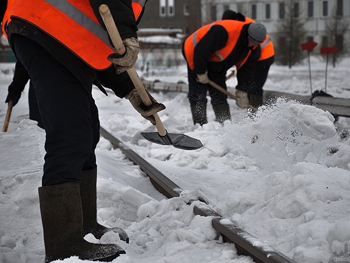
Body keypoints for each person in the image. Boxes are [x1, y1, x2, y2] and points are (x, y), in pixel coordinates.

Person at [2, 0, 165, 262]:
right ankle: (64, 244)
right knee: (70, 135)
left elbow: (96, 44)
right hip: (44, 27)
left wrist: (131, 90)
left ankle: (84, 225)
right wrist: (127, 34)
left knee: (87, 129)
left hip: (61, 37)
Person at [182, 19, 266, 125]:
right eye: (252, 41)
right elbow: (202, 50)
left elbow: (246, 71)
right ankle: (200, 125)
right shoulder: (223, 32)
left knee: (219, 92)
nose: (253, 45)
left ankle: (224, 123)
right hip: (195, 52)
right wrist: (200, 72)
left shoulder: (253, 49)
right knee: (198, 92)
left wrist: (242, 91)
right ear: (247, 35)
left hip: (216, 61)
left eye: (256, 43)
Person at [222, 9, 275, 108]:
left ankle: (256, 111)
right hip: (257, 56)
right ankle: (252, 109)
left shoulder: (245, 26)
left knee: (255, 86)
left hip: (264, 57)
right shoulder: (242, 23)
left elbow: (245, 48)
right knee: (250, 85)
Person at [4, 60, 44, 128]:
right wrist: (15, 89)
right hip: (39, 90)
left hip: (61, 90)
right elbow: (24, 65)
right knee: (38, 128)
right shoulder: (33, 51)